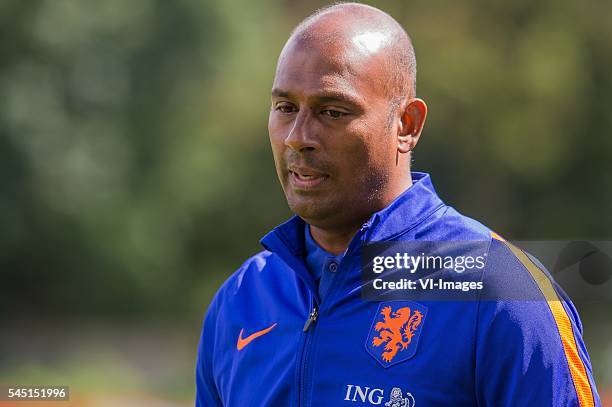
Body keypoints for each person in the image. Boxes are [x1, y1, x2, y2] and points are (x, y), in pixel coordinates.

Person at [195, 3, 601, 406]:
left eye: (333, 111)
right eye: (285, 108)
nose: (297, 136)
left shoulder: (499, 291)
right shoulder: (241, 299)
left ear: (407, 125)